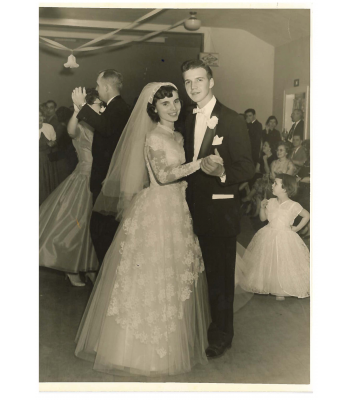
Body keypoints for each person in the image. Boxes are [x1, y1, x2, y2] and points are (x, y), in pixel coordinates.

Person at [74, 82, 218, 376]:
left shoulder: (177, 135)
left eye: (176, 101)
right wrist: (198, 165)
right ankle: (142, 352)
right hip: (157, 211)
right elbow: (164, 177)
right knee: (151, 278)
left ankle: (169, 345)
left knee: (173, 278)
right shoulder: (153, 137)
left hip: (176, 211)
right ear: (154, 108)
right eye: (166, 103)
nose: (174, 107)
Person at [181, 60, 253, 359]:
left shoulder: (232, 119)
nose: (194, 87)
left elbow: (247, 167)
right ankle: (196, 327)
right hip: (188, 208)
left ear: (212, 82)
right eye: (188, 82)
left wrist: (222, 174)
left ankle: (222, 335)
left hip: (220, 211)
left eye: (199, 80)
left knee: (220, 277)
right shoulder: (186, 117)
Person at [39, 89, 104, 287]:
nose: (102, 108)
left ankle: (90, 267)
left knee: (94, 226)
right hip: (83, 178)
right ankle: (70, 268)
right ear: (89, 106)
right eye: (99, 105)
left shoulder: (101, 127)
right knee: (76, 225)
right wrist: (78, 109)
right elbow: (69, 131)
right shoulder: (80, 126)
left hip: (100, 179)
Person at [72, 69, 133, 273]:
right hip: (106, 178)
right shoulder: (115, 106)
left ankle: (107, 278)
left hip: (110, 179)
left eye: (98, 86)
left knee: (102, 231)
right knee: (101, 230)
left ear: (106, 87)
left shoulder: (119, 107)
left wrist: (82, 106)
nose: (97, 89)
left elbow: (105, 128)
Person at [239, 174, 310, 300]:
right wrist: (262, 207)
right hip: (268, 233)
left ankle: (281, 289)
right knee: (267, 260)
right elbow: (263, 218)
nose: (272, 185)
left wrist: (297, 228)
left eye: (275, 183)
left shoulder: (293, 205)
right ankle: (268, 285)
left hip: (285, 236)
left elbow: (307, 215)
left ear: (285, 188)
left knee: (283, 261)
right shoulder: (270, 202)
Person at [39, 122, 60, 204]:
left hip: (49, 159)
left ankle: (51, 201)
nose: (40, 118)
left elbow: (55, 141)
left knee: (50, 179)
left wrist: (53, 143)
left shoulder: (49, 127)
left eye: (41, 115)